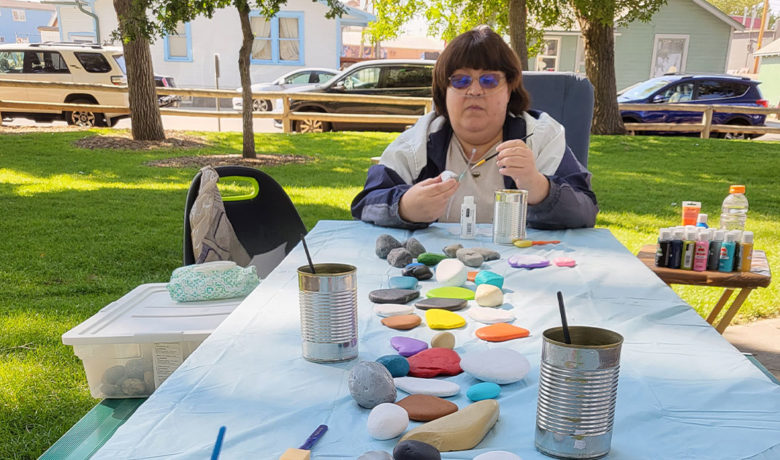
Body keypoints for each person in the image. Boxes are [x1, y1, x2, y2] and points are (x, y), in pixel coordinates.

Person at [350, 25, 598, 230]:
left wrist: (538, 186)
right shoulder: (419, 141)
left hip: (524, 267)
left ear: (509, 89)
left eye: (489, 80)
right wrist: (404, 207)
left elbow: (585, 210)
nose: (475, 90)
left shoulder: (540, 136)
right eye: (461, 80)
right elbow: (366, 203)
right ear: (444, 91)